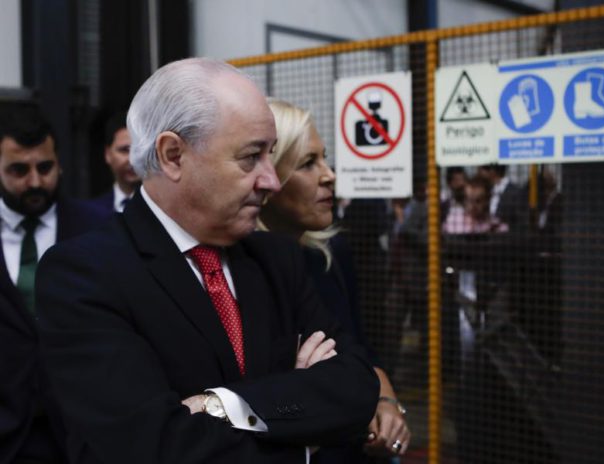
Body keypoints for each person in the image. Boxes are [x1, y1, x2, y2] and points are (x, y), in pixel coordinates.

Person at [35, 58, 378, 464]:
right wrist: (302, 434)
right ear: (173, 155)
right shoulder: (86, 274)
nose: (271, 180)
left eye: (271, 155)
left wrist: (220, 405)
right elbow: (155, 447)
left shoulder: (277, 258)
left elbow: (356, 386)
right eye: (251, 157)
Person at [259, 98, 410, 463]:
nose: (329, 175)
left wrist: (387, 401)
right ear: (267, 178)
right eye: (307, 163)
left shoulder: (329, 256)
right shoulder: (241, 276)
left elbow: (357, 347)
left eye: (324, 159)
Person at [0, 104, 106, 464]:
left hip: (80, 435)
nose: (34, 182)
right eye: (18, 170)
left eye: (44, 168)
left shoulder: (98, 230)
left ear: (59, 163)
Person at [89, 111, 140, 214]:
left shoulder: (164, 208)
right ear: (107, 154)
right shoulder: (91, 212)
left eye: (138, 150)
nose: (132, 159)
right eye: (124, 150)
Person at [478, 164, 526, 231]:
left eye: (482, 169)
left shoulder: (516, 192)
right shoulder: (487, 190)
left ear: (492, 171)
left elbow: (522, 223)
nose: (479, 173)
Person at [441, 166, 468, 234]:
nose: (461, 183)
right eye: (457, 180)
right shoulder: (445, 205)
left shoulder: (472, 203)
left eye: (463, 179)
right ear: (449, 183)